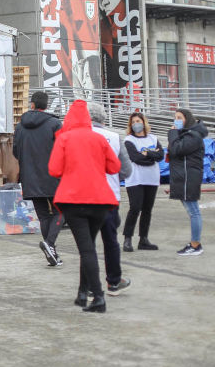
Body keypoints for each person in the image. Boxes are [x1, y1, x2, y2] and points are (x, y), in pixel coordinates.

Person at [48, 100, 121, 313]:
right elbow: (114, 167)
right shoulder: (99, 139)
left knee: (86, 249)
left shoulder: (64, 139)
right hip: (100, 200)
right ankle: (82, 293)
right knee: (87, 247)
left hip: (73, 199)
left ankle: (98, 297)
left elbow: (54, 169)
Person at [13, 91, 65, 266]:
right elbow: (62, 149)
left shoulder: (20, 127)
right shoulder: (55, 124)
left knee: (43, 216)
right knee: (61, 211)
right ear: (46, 105)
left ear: (32, 105)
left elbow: (15, 152)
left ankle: (52, 253)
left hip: (30, 177)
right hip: (53, 176)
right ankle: (50, 244)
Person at [88, 103, 132, 295]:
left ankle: (88, 286)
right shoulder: (114, 137)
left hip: (84, 196)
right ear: (103, 119)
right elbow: (126, 170)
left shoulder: (74, 137)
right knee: (110, 241)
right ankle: (113, 281)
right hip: (108, 196)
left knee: (87, 243)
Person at [168, 108, 207, 256]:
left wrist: (172, 134)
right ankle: (194, 243)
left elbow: (177, 149)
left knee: (194, 212)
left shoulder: (194, 136)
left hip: (188, 178)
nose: (176, 120)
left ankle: (195, 245)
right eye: (175, 117)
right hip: (183, 177)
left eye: (180, 117)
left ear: (188, 119)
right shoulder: (186, 134)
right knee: (192, 211)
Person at [123, 112, 163, 251]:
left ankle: (143, 239)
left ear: (144, 122)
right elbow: (136, 158)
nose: (136, 124)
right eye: (133, 122)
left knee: (147, 210)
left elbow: (160, 155)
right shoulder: (129, 140)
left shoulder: (153, 138)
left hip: (151, 179)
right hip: (136, 179)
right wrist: (152, 155)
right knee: (135, 208)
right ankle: (127, 239)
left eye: (138, 121)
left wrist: (148, 154)